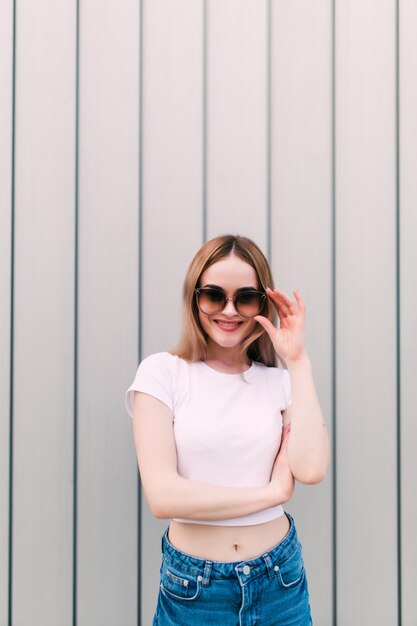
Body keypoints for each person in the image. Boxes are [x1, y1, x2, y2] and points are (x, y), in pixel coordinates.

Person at [125, 234, 330, 626]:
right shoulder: (163, 373)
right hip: (194, 590)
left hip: (279, 582)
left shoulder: (280, 382)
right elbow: (164, 497)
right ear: (194, 298)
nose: (230, 310)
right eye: (214, 295)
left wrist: (298, 361)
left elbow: (311, 468)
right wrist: (271, 493)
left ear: (262, 305)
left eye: (246, 297)